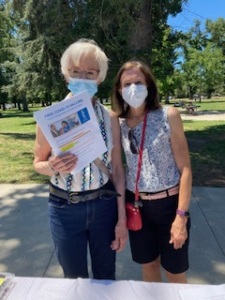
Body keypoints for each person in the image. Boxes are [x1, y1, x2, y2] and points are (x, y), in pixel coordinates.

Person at [33, 39, 127, 280]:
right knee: (73, 279)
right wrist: (52, 166)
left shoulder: (111, 118)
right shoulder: (50, 118)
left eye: (90, 72)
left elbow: (117, 170)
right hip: (65, 209)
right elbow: (38, 163)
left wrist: (122, 219)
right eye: (76, 72)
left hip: (104, 207)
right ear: (66, 75)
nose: (83, 78)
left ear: (100, 78)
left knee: (106, 277)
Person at [111, 60, 192, 283]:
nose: (133, 88)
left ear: (149, 85)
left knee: (175, 272)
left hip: (170, 205)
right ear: (119, 89)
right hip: (136, 205)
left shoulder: (169, 115)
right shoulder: (118, 122)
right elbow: (116, 167)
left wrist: (181, 217)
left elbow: (185, 169)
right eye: (127, 84)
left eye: (138, 82)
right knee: (149, 266)